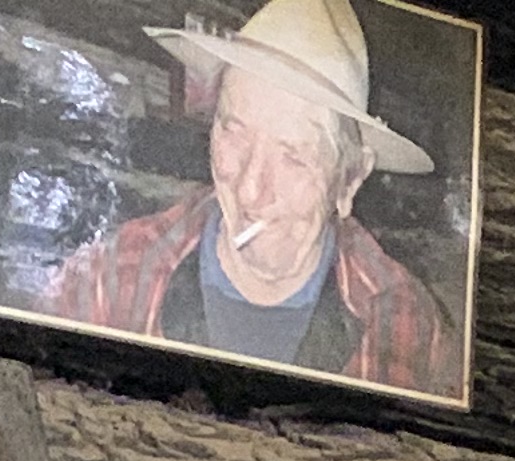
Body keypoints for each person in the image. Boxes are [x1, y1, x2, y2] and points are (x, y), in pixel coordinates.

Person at [35, 0, 457, 397]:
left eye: (293, 157)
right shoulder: (109, 277)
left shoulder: (409, 323)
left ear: (349, 180)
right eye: (234, 132)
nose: (251, 189)